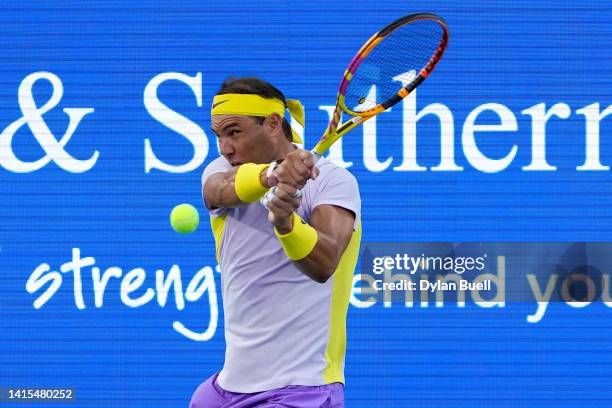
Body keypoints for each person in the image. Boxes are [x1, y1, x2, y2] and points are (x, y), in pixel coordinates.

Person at [190, 77, 361, 408]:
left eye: (234, 132)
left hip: (302, 388)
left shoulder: (334, 182)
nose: (225, 147)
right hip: (227, 389)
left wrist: (286, 224)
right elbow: (219, 189)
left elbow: (325, 263)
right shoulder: (222, 169)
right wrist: (272, 175)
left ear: (271, 124)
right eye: (219, 136)